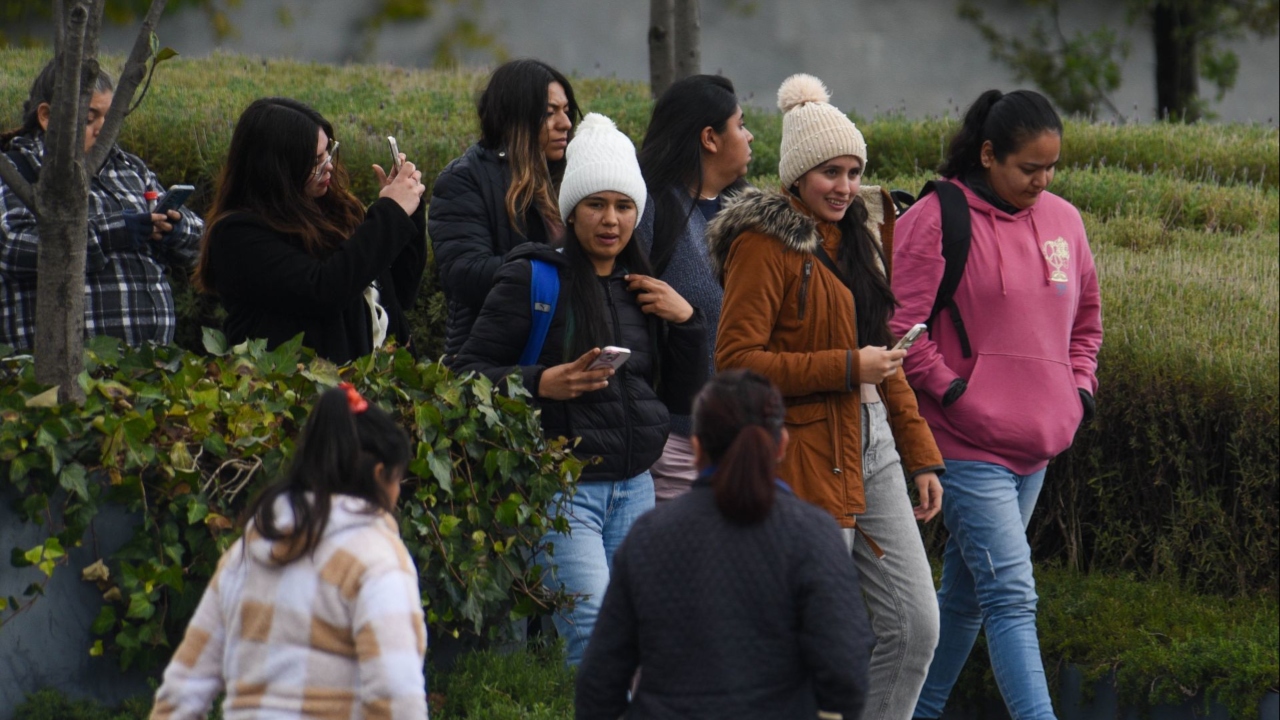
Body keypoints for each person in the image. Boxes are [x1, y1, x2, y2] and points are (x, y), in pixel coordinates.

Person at [709, 74, 945, 720]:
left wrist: (921, 454)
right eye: (829, 173)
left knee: (917, 627)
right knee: (817, 643)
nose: (844, 186)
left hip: (874, 449)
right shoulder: (763, 244)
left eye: (853, 171)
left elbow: (885, 356)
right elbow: (735, 363)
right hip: (804, 452)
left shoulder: (858, 236)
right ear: (796, 177)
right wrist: (848, 366)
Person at [451, 113, 706, 668]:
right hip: (563, 493)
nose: (611, 220)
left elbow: (683, 397)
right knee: (592, 638)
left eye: (623, 206)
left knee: (638, 638)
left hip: (637, 488)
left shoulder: (646, 290)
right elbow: (463, 373)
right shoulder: (533, 278)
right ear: (571, 210)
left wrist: (687, 323)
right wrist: (544, 381)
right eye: (596, 204)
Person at [893, 90, 1102, 720]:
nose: (1042, 181)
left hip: (1038, 443)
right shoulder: (935, 218)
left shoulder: (1065, 221)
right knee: (1011, 593)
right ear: (988, 155)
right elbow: (902, 329)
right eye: (1028, 169)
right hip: (964, 443)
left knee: (966, 599)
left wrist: (1079, 393)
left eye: (1051, 168)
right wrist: (955, 391)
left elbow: (1086, 323)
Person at [575, 369, 874, 720]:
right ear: (781, 446)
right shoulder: (812, 533)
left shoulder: (649, 536)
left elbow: (599, 680)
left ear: (697, 448)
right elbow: (847, 673)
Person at [150, 384, 427, 719]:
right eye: (399, 480)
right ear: (380, 475)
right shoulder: (377, 560)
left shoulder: (246, 554)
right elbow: (396, 694)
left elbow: (183, 688)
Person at [194, 97, 426, 364]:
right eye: (315, 160)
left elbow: (402, 292)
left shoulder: (335, 210)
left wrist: (410, 208)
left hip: (380, 388)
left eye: (329, 151)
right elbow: (325, 289)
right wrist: (391, 211)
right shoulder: (236, 236)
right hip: (301, 395)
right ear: (277, 169)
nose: (329, 165)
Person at [0, 60, 202, 350]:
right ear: (46, 116)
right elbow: (12, 246)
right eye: (88, 119)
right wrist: (111, 233)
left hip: (148, 369)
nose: (101, 132)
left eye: (108, 120)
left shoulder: (129, 168)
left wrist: (173, 226)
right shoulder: (16, 170)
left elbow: (201, 246)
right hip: (60, 370)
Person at [633, 73, 754, 502]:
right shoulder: (649, 209)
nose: (750, 135)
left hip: (745, 434)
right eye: (740, 125)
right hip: (677, 442)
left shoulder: (750, 214)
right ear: (709, 138)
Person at [429, 59, 580, 359]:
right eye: (550, 113)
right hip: (495, 366)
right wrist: (559, 263)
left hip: (563, 353)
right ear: (517, 117)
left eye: (566, 111)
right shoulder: (465, 178)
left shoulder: (573, 174)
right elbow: (465, 275)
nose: (565, 123)